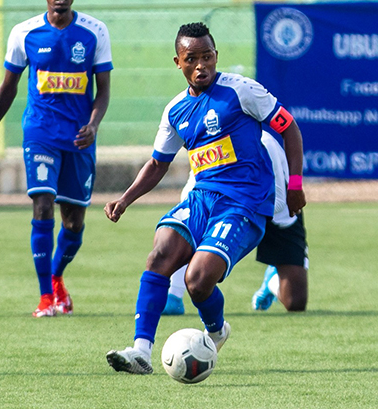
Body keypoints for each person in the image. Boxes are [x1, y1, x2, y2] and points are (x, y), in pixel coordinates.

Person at [103, 22, 306, 375]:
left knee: (197, 281)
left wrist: (295, 184)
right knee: (160, 255)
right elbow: (157, 163)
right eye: (192, 58)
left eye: (207, 57)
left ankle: (216, 332)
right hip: (202, 198)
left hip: (243, 202)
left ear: (216, 56)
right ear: (178, 62)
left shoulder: (241, 91)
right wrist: (125, 199)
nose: (201, 65)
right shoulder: (175, 110)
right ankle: (140, 352)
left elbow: (289, 127)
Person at [0, 0, 112, 317]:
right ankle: (45, 297)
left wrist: (93, 125)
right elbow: (8, 87)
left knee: (74, 222)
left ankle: (57, 276)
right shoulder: (24, 33)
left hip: (79, 138)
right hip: (40, 132)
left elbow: (103, 91)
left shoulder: (95, 32)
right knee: (42, 204)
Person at [163, 127, 309, 315]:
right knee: (191, 224)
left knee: (296, 302)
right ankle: (173, 295)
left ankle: (272, 280)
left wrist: (237, 212)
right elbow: (188, 204)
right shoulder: (208, 147)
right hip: (231, 209)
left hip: (278, 213)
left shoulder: (263, 144)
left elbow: (279, 203)